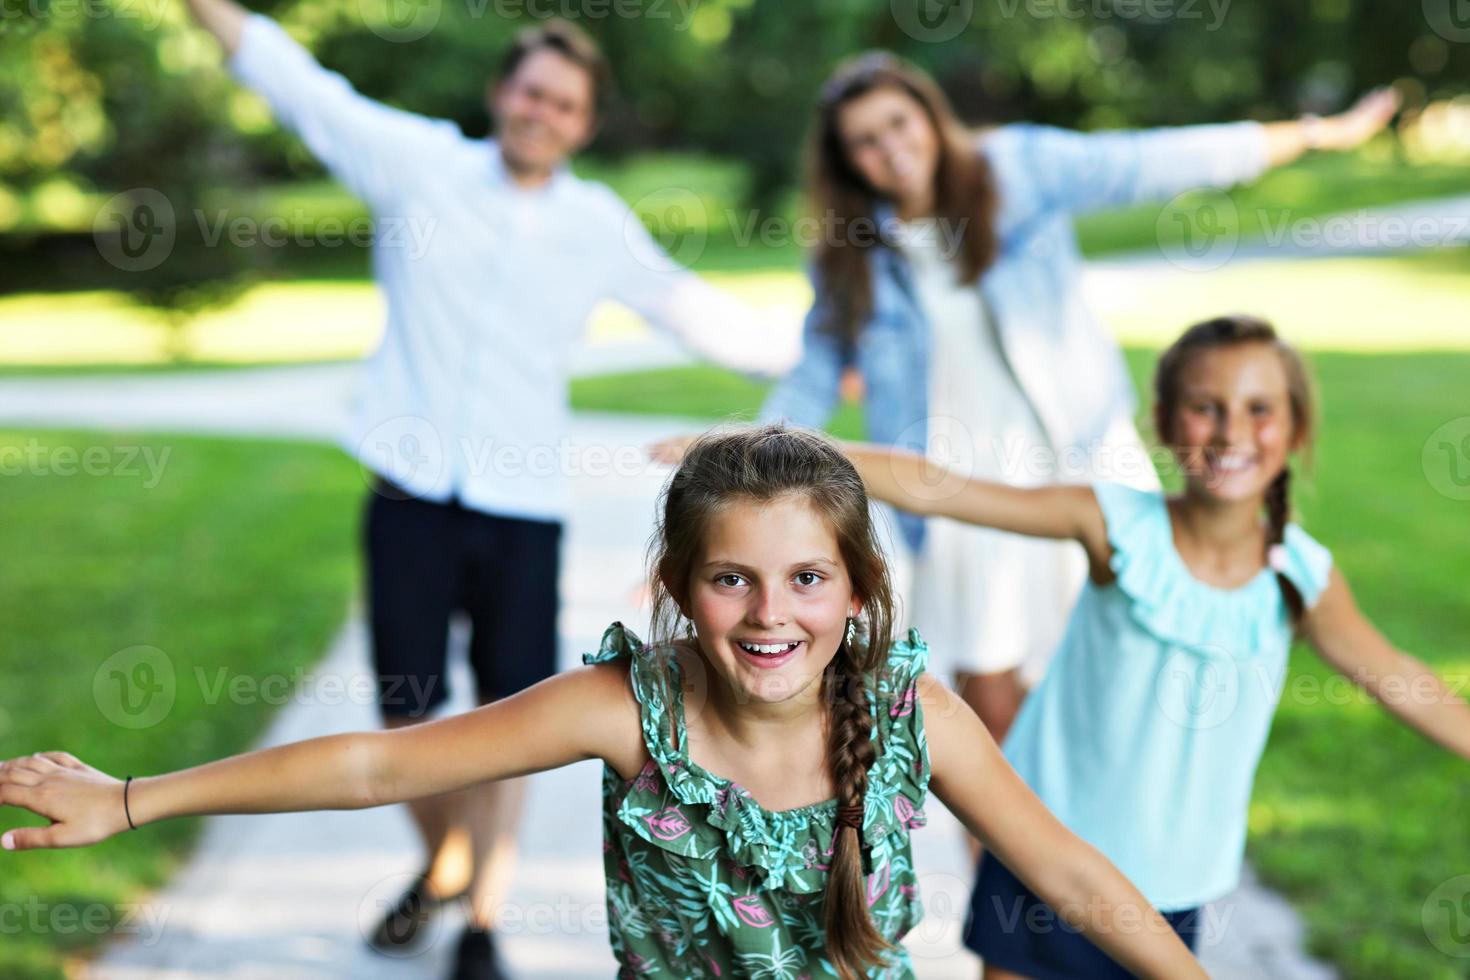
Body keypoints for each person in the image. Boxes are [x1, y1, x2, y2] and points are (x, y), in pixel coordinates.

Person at [1, 424, 1216, 980]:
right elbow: (381, 764)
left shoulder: (913, 714)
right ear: (679, 589)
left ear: (856, 588)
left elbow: (1069, 872)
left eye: (806, 577)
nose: (769, 613)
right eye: (731, 577)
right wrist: (130, 796)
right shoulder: (624, 707)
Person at [174, 2, 790, 973]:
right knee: (407, 712)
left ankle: (483, 919)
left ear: (583, 124)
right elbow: (298, 85)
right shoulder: (417, 164)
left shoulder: (594, 223)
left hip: (523, 507)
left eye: (565, 103)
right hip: (411, 491)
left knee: (512, 716)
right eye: (532, 91)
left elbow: (694, 310)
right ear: (502, 93)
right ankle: (446, 859)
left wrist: (824, 352)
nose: (543, 112)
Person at [759, 51, 1400, 749]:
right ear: (847, 160)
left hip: (1078, 462)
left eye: (898, 123)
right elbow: (816, 370)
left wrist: (1312, 134)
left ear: (930, 117)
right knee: (989, 710)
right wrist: (747, 450)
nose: (891, 149)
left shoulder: (1016, 170)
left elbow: (1152, 160)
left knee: (1112, 683)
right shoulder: (853, 252)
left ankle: (1088, 849)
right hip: (954, 491)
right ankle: (998, 860)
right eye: (866, 140)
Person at [835, 316, 1470, 979]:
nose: (1230, 431)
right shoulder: (1114, 526)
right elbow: (944, 489)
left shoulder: (1299, 576)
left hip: (1171, 888)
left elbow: (1397, 677)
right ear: (1165, 423)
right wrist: (781, 449)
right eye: (1206, 408)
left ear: (1297, 428)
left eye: (1259, 409)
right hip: (1044, 856)